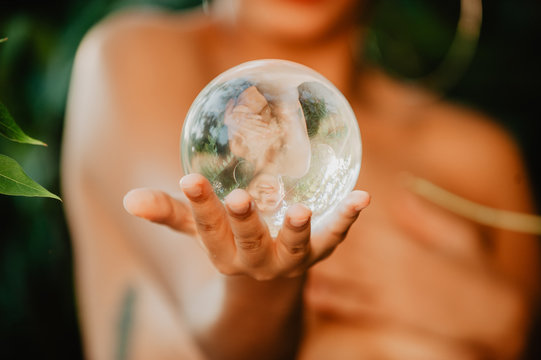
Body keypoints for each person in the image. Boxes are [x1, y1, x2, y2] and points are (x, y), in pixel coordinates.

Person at [62, 0, 540, 359]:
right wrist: (263, 280)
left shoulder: (479, 157)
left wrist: (514, 325)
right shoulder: (140, 56)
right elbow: (226, 334)